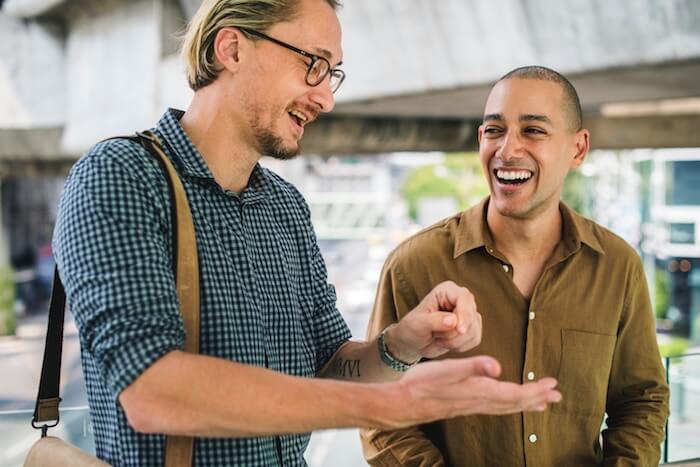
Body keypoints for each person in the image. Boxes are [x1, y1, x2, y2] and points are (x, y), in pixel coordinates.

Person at [52, 2, 562, 466]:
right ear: (231, 48)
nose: (326, 98)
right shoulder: (120, 176)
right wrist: (391, 404)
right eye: (312, 63)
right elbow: (152, 391)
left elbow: (328, 364)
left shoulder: (284, 206)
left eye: (331, 73)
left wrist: (402, 344)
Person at [361, 66, 669, 467]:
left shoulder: (618, 266)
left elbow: (642, 400)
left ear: (578, 149)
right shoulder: (414, 265)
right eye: (494, 130)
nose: (507, 150)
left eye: (533, 131)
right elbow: (379, 412)